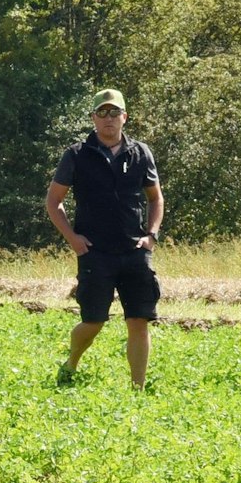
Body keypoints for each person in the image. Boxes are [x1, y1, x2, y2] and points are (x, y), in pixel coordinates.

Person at [46, 88, 164, 389]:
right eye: (102, 112)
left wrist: (151, 235)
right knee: (93, 322)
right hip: (94, 252)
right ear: (93, 118)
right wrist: (72, 238)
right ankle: (71, 362)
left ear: (124, 117)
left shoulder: (141, 153)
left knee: (138, 320)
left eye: (114, 113)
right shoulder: (76, 155)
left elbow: (155, 199)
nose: (108, 118)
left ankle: (138, 387)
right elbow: (54, 202)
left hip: (134, 249)